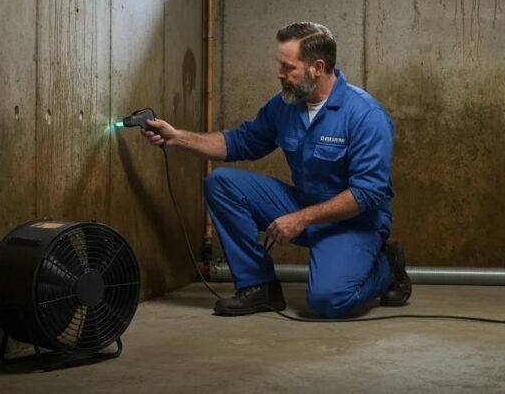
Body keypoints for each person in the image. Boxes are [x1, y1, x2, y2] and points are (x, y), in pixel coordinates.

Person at [144, 22, 411, 318]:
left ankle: (386, 266)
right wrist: (178, 137)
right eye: (280, 65)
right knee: (222, 183)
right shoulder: (285, 106)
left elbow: (367, 193)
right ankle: (259, 286)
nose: (279, 74)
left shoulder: (365, 115)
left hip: (355, 221)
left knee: (328, 301)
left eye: (288, 67)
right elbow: (239, 142)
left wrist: (301, 218)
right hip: (304, 206)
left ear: (317, 68)